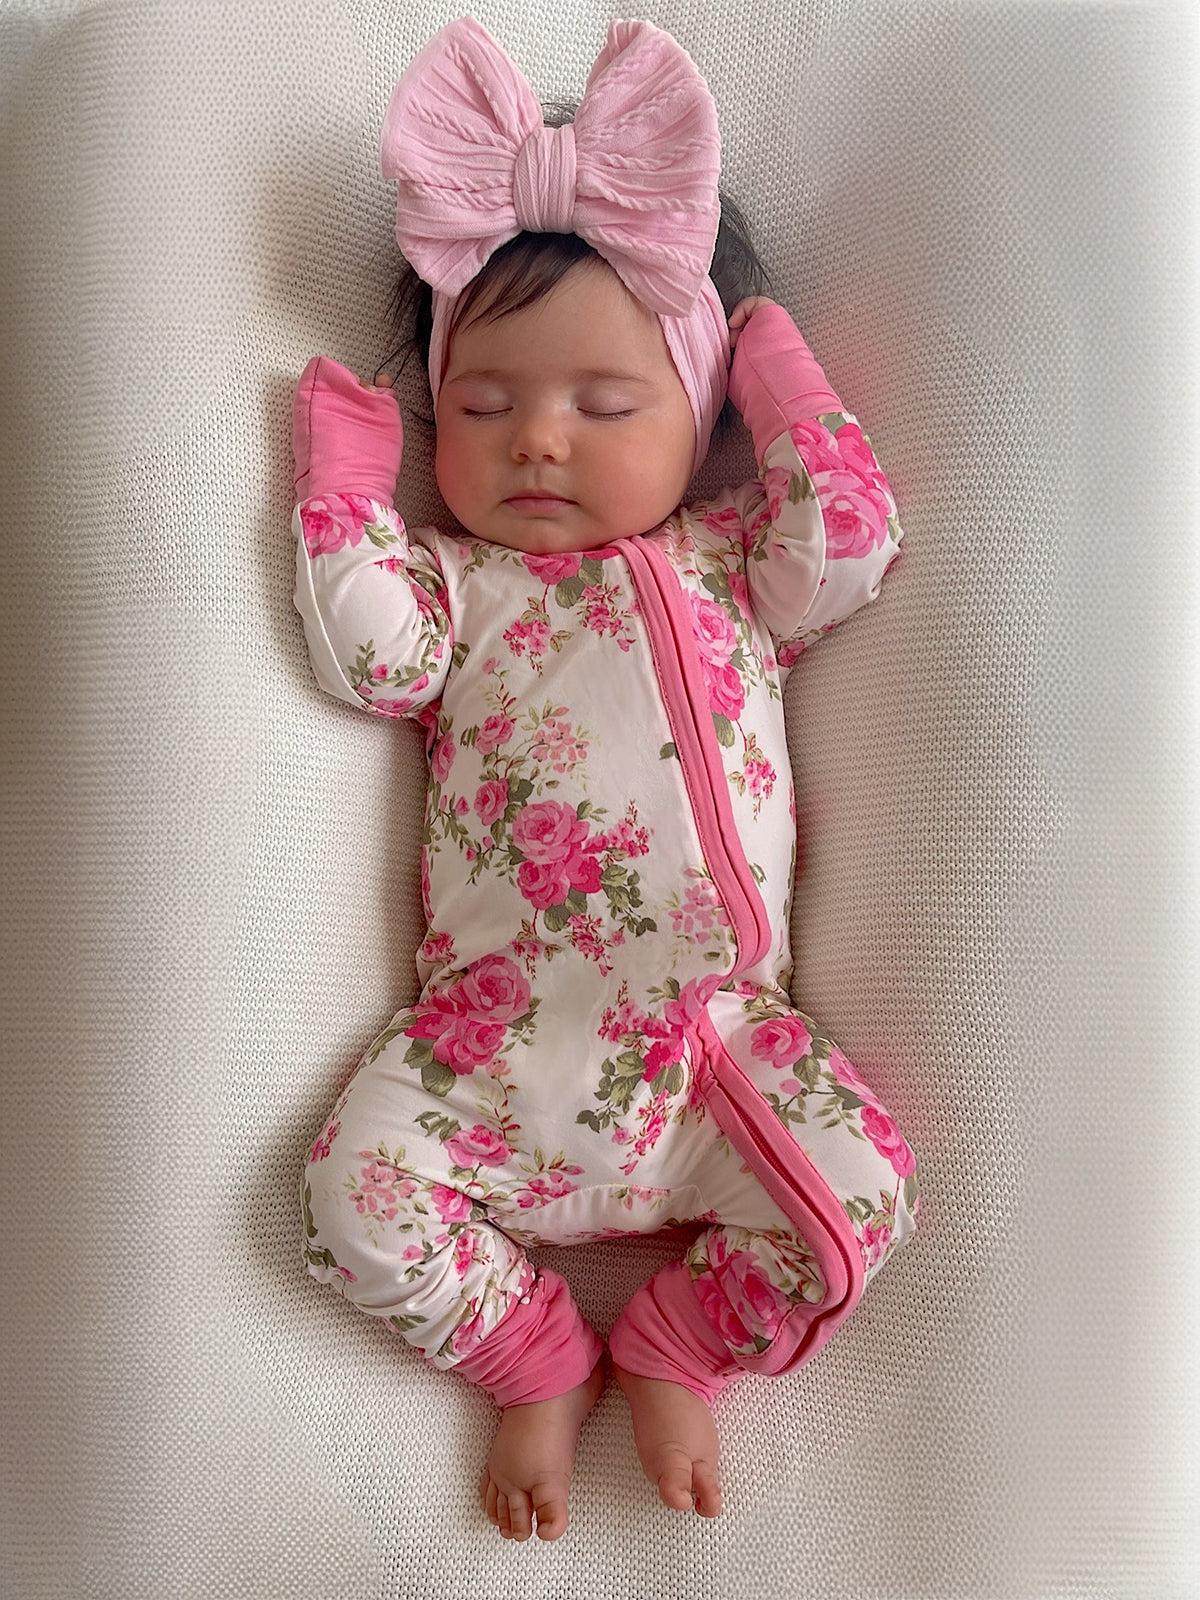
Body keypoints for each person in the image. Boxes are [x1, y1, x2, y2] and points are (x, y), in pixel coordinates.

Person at [294, 14, 918, 1544]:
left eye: (605, 403)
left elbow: (847, 546)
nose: (538, 443)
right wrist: (344, 491)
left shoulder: (728, 562)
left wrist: (780, 374)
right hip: (492, 1048)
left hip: (714, 1048)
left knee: (865, 1203)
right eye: (485, 406)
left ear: (695, 410)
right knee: (348, 1195)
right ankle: (533, 1357)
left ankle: (676, 1342)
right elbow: (370, 658)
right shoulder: (463, 588)